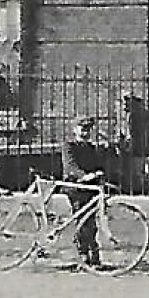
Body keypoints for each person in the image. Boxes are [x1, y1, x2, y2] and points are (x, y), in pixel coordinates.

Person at [61, 115, 112, 268]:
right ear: (74, 130)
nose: (85, 133)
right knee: (82, 220)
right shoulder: (69, 146)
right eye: (82, 129)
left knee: (92, 222)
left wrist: (99, 175)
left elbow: (97, 166)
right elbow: (70, 166)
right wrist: (83, 176)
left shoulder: (91, 148)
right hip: (75, 187)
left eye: (88, 130)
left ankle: (94, 254)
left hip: (90, 188)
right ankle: (83, 253)